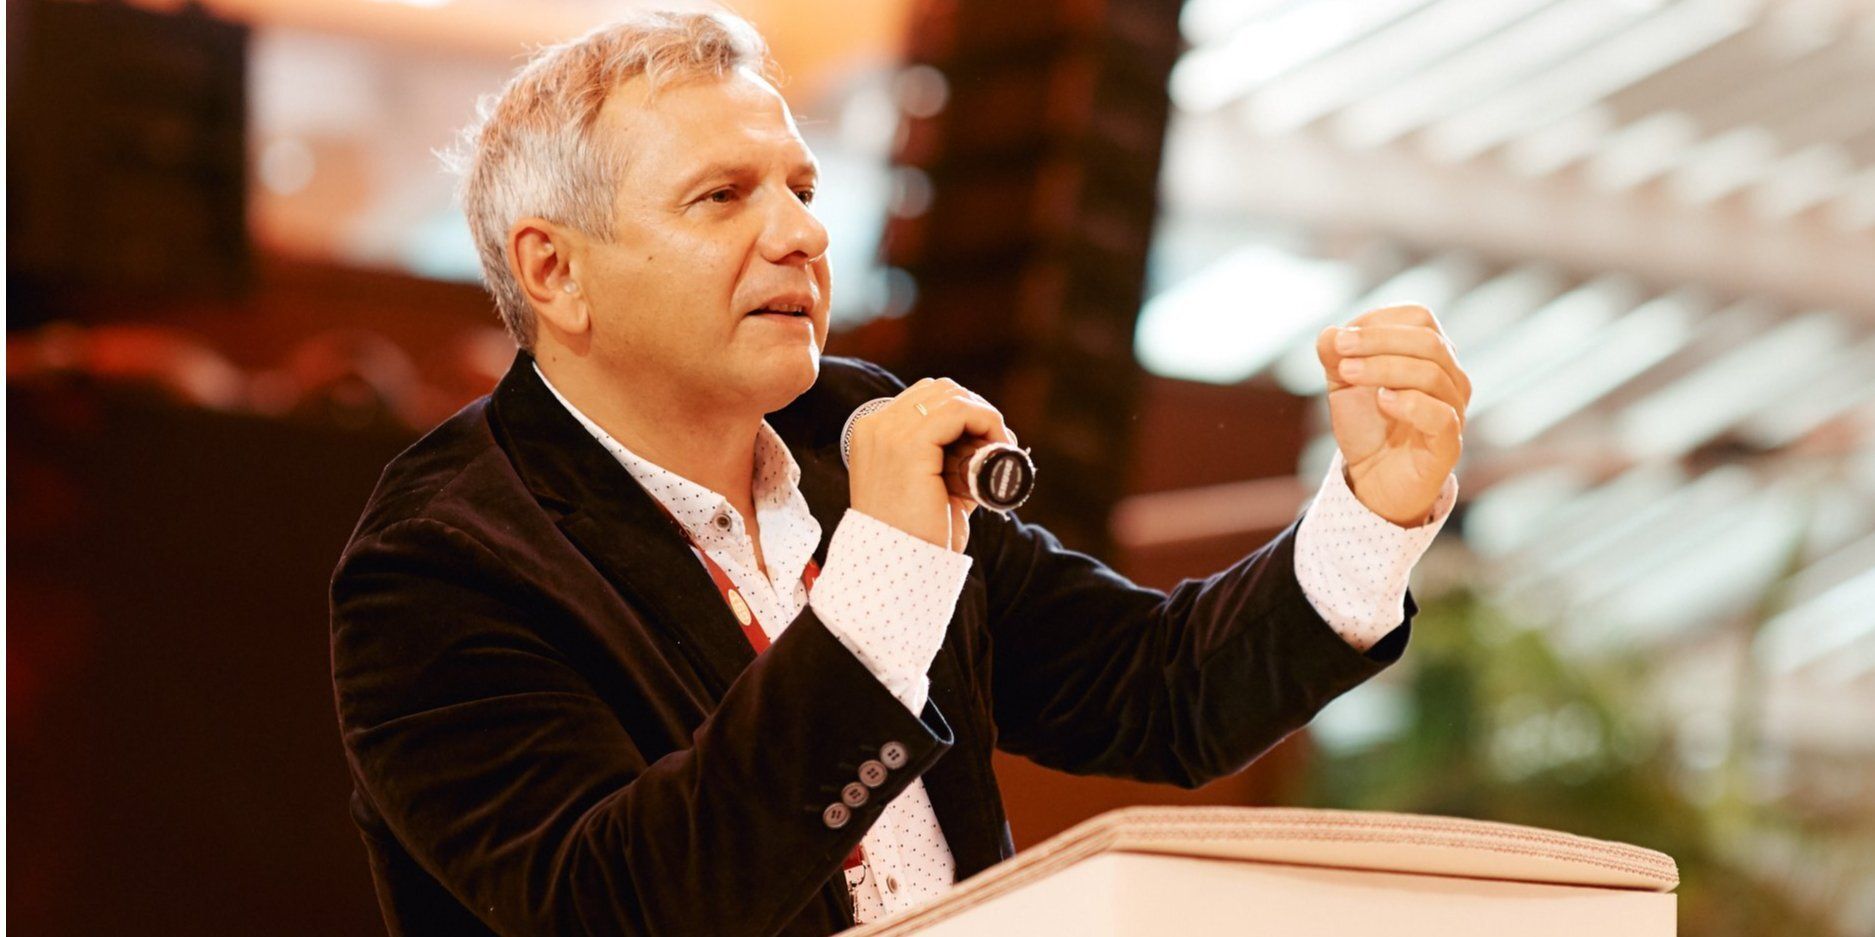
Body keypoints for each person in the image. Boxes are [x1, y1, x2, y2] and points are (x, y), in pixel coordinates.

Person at [328, 9, 1471, 936]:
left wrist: (1377, 509)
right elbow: (619, 909)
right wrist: (880, 584)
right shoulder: (439, 562)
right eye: (723, 196)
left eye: (802, 190)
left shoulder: (849, 432)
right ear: (554, 271)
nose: (802, 235)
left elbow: (1160, 691)